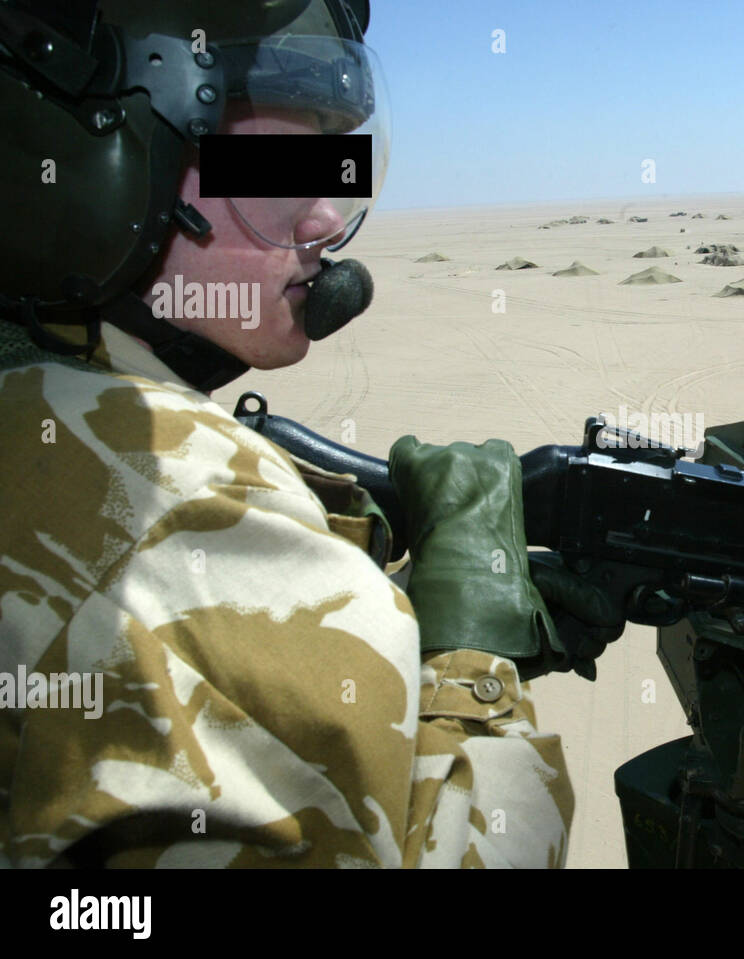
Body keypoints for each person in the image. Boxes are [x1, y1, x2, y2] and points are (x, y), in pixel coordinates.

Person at [0, 0, 621, 867]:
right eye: (279, 174)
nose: (326, 221)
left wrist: (387, 623)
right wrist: (473, 657)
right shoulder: (170, 507)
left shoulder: (39, 395)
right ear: (110, 164)